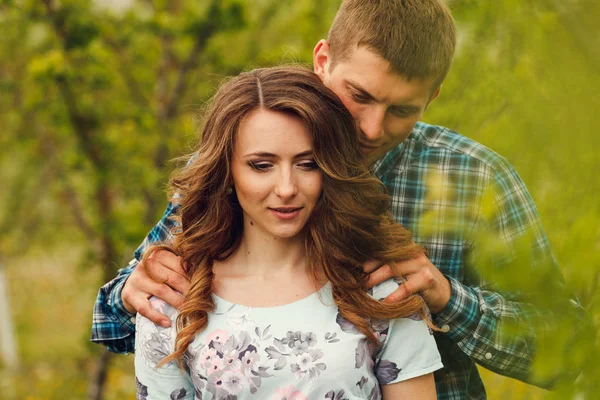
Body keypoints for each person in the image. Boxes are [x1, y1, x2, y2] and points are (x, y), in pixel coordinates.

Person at [92, 1, 579, 398]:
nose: (371, 128)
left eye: (401, 110)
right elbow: (115, 320)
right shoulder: (242, 164)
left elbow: (571, 356)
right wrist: (132, 294)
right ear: (323, 60)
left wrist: (446, 297)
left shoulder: (475, 180)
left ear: (433, 97)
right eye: (359, 95)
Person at [134, 66, 442, 399]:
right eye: (261, 165)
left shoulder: (380, 292)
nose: (286, 188)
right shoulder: (171, 302)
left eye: (307, 164)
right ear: (227, 170)